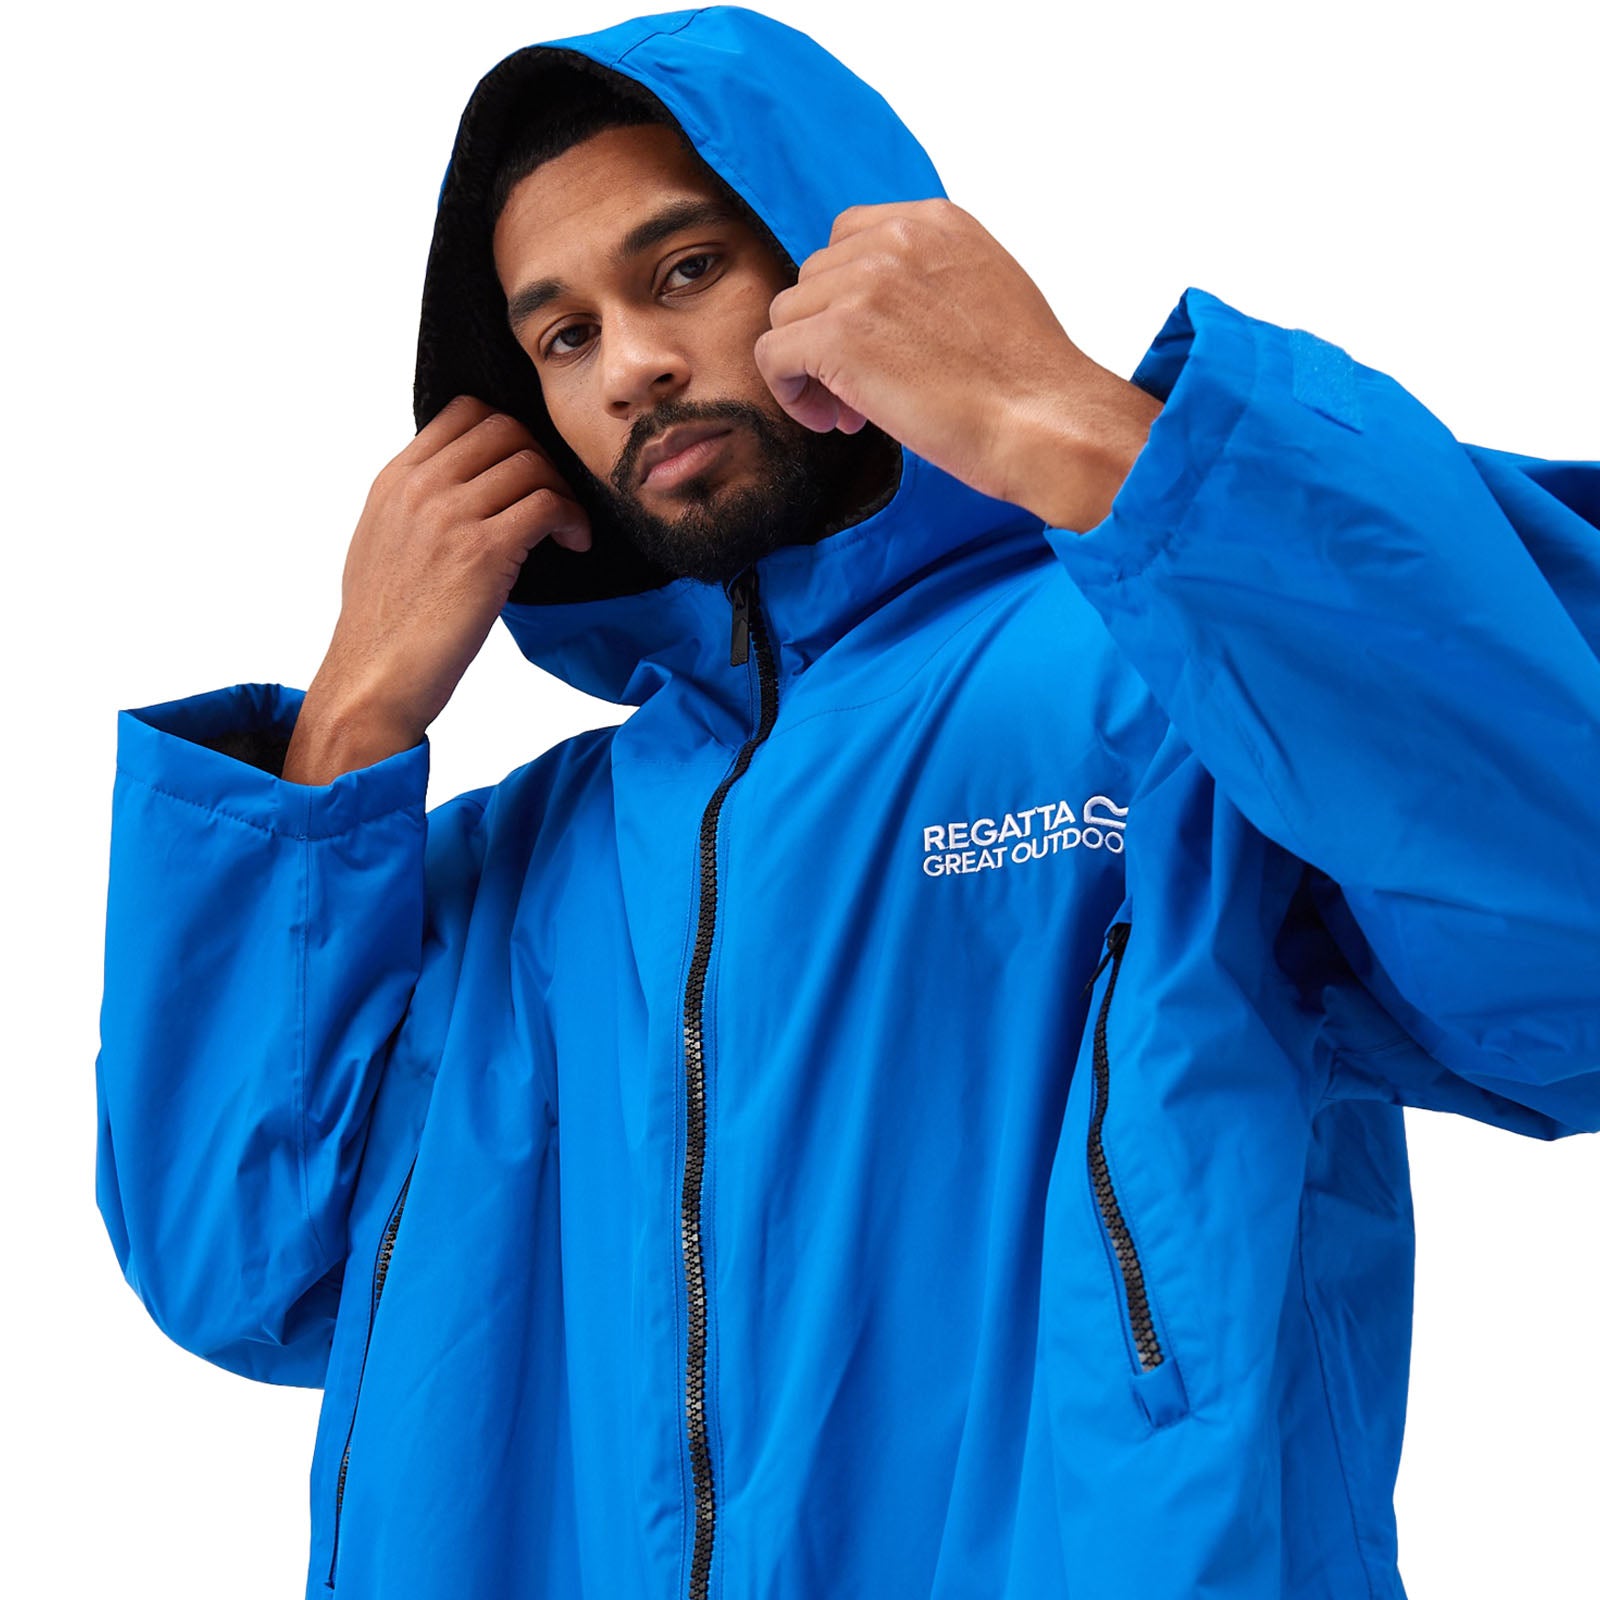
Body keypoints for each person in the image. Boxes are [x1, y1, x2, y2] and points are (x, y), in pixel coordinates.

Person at [92, 7, 1600, 1598]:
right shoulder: (504, 882)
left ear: (839, 254)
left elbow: (1564, 945)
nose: (634, 365)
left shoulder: (1175, 679)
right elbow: (239, 1270)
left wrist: (1077, 432)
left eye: (685, 270)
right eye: (565, 339)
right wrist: (350, 722)